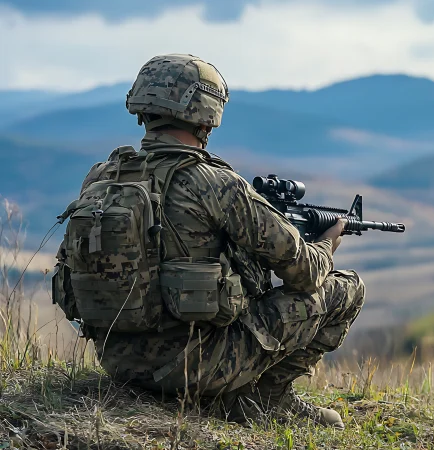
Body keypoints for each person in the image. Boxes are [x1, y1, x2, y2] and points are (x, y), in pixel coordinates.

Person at [50, 54, 366, 429]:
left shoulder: (103, 176)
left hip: (119, 364)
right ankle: (266, 401)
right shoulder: (217, 185)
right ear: (207, 113)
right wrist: (327, 245)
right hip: (196, 369)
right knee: (346, 288)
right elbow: (305, 273)